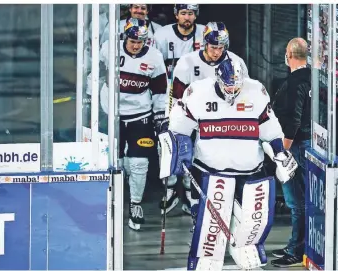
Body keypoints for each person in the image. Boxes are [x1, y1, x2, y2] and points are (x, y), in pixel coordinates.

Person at [158, 58, 298, 270]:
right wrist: (179, 148)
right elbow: (179, 127)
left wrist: (279, 153)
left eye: (237, 84)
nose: (232, 89)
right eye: (228, 84)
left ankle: (247, 257)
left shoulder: (256, 92)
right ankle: (205, 260)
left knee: (252, 224)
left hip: (249, 172)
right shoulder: (197, 93)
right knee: (209, 235)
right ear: (218, 78)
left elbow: (270, 129)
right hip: (209, 172)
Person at [160, 21, 249, 215]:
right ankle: (194, 207)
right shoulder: (187, 62)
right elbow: (175, 97)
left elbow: (244, 94)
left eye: (221, 47)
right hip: (193, 121)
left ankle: (223, 207)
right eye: (213, 47)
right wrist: (172, 123)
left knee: (222, 166)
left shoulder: (236, 63)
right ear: (204, 43)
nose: (217, 52)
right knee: (191, 165)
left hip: (223, 123)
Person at [93, 18, 168, 230]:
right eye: (133, 40)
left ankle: (135, 203)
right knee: (112, 161)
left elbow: (161, 89)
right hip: (111, 114)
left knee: (138, 163)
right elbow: (94, 73)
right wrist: (90, 97)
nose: (136, 45)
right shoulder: (109, 48)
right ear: (125, 36)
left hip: (140, 115)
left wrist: (161, 116)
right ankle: (108, 201)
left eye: (141, 41)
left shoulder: (154, 56)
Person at [270, 37, 312, 267]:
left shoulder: (297, 82)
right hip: (302, 144)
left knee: (296, 201)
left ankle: (297, 249)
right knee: (298, 199)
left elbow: (294, 119)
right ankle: (295, 244)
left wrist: (282, 152)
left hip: (295, 146)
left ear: (289, 54)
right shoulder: (310, 77)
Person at [153, 4, 205, 79]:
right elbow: (155, 65)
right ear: (176, 15)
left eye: (190, 13)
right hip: (170, 85)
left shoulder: (205, 33)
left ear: (195, 15)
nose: (187, 18)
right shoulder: (161, 34)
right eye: (183, 13)